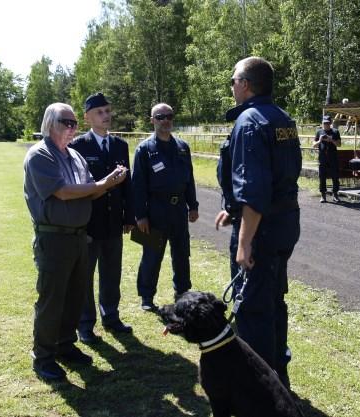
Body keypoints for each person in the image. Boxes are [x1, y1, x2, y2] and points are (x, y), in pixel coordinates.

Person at [23, 102, 128, 381]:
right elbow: (64, 192)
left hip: (80, 236)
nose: (71, 128)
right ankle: (43, 356)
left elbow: (89, 192)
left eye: (73, 124)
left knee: (74, 297)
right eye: (65, 122)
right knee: (52, 300)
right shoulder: (40, 155)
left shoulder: (75, 156)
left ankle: (65, 346)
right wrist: (103, 184)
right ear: (49, 124)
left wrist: (108, 183)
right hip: (54, 237)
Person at [215, 56, 301, 388]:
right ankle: (279, 376)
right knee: (274, 302)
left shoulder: (250, 121)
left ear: (246, 85)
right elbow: (281, 175)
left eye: (234, 80)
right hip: (283, 226)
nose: (232, 86)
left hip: (261, 231)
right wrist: (234, 209)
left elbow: (255, 190)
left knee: (251, 309)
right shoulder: (283, 119)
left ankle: (262, 389)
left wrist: (244, 240)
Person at [69, 93, 135, 344]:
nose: (106, 116)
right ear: (87, 118)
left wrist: (129, 215)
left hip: (113, 223)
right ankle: (85, 324)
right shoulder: (78, 147)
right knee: (85, 276)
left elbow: (128, 184)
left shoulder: (120, 146)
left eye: (108, 111)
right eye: (100, 112)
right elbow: (77, 188)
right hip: (88, 223)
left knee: (111, 272)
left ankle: (111, 316)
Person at [131, 103, 199, 311]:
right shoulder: (144, 149)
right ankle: (146, 297)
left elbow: (190, 180)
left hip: (178, 210)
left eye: (169, 116)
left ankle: (183, 293)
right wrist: (140, 216)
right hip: (154, 211)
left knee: (181, 254)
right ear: (152, 121)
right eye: (160, 117)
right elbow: (137, 186)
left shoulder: (182, 147)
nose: (165, 120)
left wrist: (193, 205)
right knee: (151, 256)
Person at [313, 115, 341, 203]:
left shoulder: (335, 132)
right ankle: (323, 195)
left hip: (333, 157)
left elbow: (339, 144)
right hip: (322, 158)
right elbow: (314, 145)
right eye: (324, 123)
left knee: (335, 176)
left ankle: (335, 194)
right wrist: (320, 140)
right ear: (322, 123)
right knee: (322, 176)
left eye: (328, 123)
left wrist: (331, 140)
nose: (326, 125)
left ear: (330, 123)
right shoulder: (319, 132)